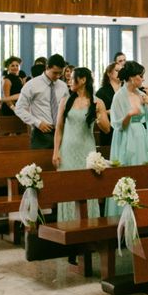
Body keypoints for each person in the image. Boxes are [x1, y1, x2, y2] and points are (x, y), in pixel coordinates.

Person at [53, 67, 110, 221]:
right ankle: (67, 225)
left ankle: (89, 227)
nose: (69, 81)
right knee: (68, 189)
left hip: (86, 151)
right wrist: (56, 151)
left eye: (73, 78)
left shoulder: (97, 102)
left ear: (83, 80)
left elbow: (106, 129)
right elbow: (59, 128)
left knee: (87, 188)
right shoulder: (66, 101)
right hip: (67, 151)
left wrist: (98, 115)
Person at [106, 61, 148, 215]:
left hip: (141, 136)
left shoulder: (142, 95)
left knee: (142, 171)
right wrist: (129, 114)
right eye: (140, 76)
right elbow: (116, 124)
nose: (142, 79)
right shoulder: (119, 96)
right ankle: (124, 213)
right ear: (131, 77)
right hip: (126, 137)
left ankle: (143, 212)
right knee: (127, 172)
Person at [15, 54, 69, 149]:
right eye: (55, 73)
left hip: (61, 131)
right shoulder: (32, 84)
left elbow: (67, 108)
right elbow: (19, 109)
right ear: (47, 67)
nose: (57, 76)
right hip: (41, 133)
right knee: (41, 163)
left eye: (60, 73)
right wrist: (37, 122)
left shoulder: (63, 86)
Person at [95, 63, 122, 146]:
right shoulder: (102, 92)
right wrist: (108, 112)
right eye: (117, 71)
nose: (120, 73)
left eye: (121, 71)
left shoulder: (126, 89)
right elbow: (97, 112)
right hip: (109, 129)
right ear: (109, 73)